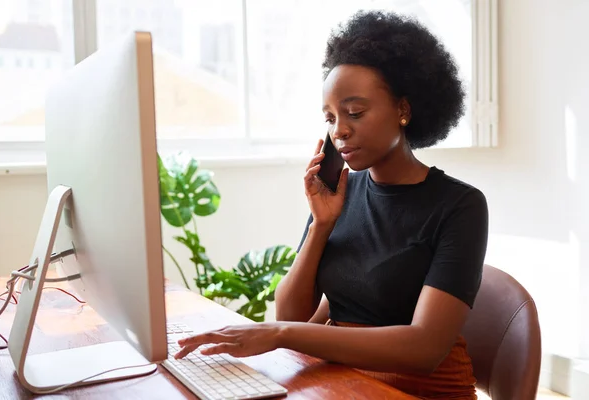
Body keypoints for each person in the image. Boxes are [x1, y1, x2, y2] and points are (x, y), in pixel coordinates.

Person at [175, 10, 488, 400]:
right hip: (342, 384)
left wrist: (279, 334)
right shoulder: (340, 194)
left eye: (355, 113)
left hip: (419, 392)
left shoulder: (459, 205)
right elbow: (290, 316)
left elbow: (424, 349)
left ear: (404, 110)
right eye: (330, 117)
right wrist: (322, 225)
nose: (339, 130)